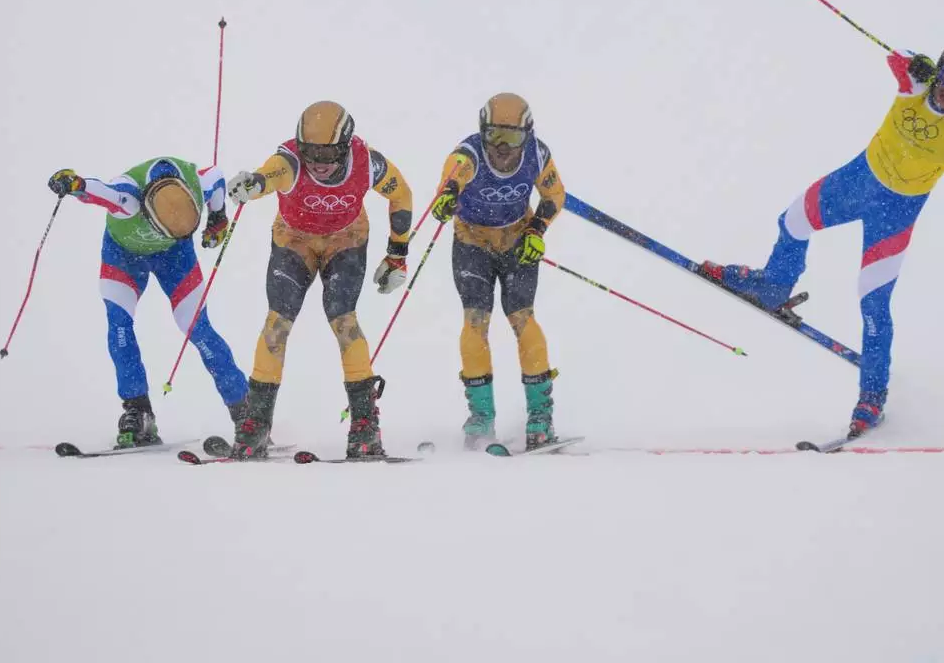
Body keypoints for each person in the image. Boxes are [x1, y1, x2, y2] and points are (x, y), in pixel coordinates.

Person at [703, 42, 944, 437]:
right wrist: (913, 63)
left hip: (897, 215)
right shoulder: (916, 86)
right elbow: (894, 56)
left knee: (874, 302)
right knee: (793, 221)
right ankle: (774, 284)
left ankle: (871, 396)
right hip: (857, 182)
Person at [225, 101, 413, 458]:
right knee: (277, 321)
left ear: (345, 145)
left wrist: (397, 254)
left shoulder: (367, 164)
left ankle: (364, 424)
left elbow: (401, 194)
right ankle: (256, 424)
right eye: (311, 152)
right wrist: (252, 185)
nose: (319, 162)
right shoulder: (291, 162)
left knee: (343, 318)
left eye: (329, 153)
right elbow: (269, 176)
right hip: (294, 239)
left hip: (347, 237)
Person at [47, 157, 248, 447]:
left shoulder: (198, 183)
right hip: (124, 256)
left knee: (198, 329)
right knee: (120, 327)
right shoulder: (128, 199)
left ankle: (247, 412)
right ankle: (137, 410)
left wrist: (218, 218)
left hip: (175, 255)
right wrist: (75, 184)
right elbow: (97, 190)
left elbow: (216, 177)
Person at [430, 93, 567, 450]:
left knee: (523, 318)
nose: (503, 148)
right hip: (471, 243)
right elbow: (452, 181)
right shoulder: (469, 154)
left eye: (513, 138)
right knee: (476, 320)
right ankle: (481, 418)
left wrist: (537, 230)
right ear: (482, 131)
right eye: (494, 136)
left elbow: (554, 197)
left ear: (528, 134)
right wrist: (446, 197)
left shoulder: (537, 154)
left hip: (516, 241)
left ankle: (540, 417)